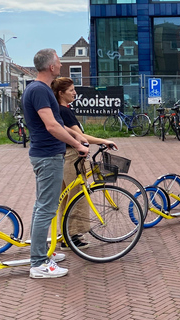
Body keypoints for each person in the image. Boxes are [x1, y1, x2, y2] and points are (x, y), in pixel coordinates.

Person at [22, 49, 87, 278]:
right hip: (48, 156)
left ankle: (40, 253)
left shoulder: (38, 89)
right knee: (46, 209)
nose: (60, 65)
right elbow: (51, 126)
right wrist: (77, 145)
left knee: (42, 207)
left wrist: (77, 137)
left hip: (47, 154)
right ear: (51, 67)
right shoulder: (40, 90)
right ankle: (39, 263)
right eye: (58, 62)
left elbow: (57, 123)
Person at [50, 77, 117, 249]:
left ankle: (65, 234)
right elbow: (80, 136)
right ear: (60, 93)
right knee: (78, 196)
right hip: (73, 156)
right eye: (71, 90)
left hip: (62, 155)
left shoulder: (57, 110)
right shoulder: (64, 111)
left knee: (65, 198)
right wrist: (104, 140)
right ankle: (73, 236)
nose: (75, 93)